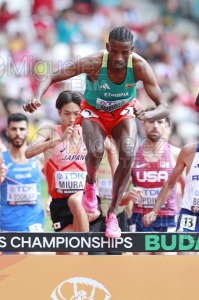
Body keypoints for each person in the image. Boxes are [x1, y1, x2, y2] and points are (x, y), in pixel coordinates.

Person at [23, 26, 169, 238]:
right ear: (107, 47)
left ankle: (111, 215)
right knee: (96, 149)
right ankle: (90, 185)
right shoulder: (93, 62)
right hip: (94, 111)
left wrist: (147, 115)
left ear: (132, 50)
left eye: (124, 52)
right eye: (115, 51)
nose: (119, 57)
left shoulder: (139, 66)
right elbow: (53, 76)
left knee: (128, 152)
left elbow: (163, 105)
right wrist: (36, 96)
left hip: (122, 112)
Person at [25, 90, 99, 255]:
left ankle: (85, 257)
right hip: (60, 202)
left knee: (75, 201)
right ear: (59, 112)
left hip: (84, 198)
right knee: (64, 256)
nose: (72, 119)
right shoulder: (49, 131)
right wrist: (59, 139)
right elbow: (28, 153)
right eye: (67, 114)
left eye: (76, 114)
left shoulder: (89, 134)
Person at [120, 113, 183, 242]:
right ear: (143, 124)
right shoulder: (131, 156)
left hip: (168, 218)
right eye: (150, 122)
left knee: (167, 259)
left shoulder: (176, 154)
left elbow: (189, 188)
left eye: (160, 122)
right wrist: (128, 196)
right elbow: (118, 200)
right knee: (142, 262)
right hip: (139, 219)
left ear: (166, 125)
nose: (155, 126)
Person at [0, 113, 44, 253]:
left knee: (33, 266)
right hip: (7, 225)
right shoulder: (1, 159)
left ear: (27, 131)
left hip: (33, 224)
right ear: (7, 131)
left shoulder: (38, 158)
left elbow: (54, 180)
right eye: (13, 129)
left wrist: (50, 199)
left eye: (21, 129)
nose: (18, 133)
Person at [143, 142, 199, 234]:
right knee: (185, 247)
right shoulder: (188, 151)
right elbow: (169, 184)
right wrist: (154, 211)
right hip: (190, 214)